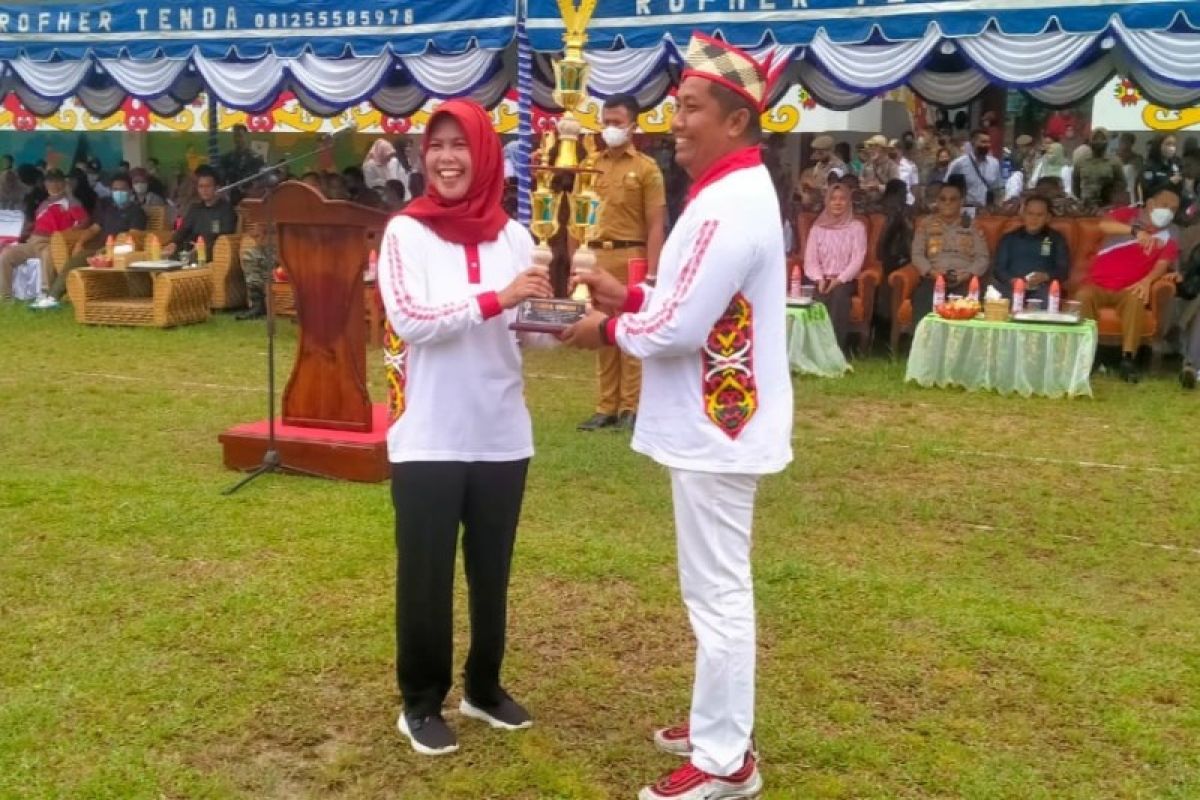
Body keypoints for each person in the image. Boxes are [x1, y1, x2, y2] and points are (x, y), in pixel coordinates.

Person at [563, 32, 793, 800]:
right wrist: (624, 297)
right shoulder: (728, 191)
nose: (675, 120)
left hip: (718, 427)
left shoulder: (730, 203)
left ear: (735, 120)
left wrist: (605, 326)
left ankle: (728, 762)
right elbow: (686, 302)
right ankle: (716, 728)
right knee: (713, 589)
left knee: (719, 593)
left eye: (691, 107)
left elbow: (678, 329)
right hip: (717, 421)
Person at [377, 99, 554, 757]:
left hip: (501, 430)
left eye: (462, 145)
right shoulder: (406, 232)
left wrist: (566, 311)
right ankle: (420, 702)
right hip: (429, 434)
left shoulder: (513, 235)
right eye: (437, 146)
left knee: (492, 570)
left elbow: (527, 337)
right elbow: (411, 320)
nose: (448, 158)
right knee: (425, 575)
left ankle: (483, 688)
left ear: (485, 155)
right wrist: (498, 298)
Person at [575, 93, 666, 433]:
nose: (610, 128)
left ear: (633, 125)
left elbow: (656, 222)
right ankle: (605, 406)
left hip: (632, 255)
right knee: (600, 330)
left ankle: (632, 406)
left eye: (617, 122)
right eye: (606, 122)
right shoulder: (590, 165)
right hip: (597, 255)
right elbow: (578, 217)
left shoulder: (646, 168)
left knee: (630, 333)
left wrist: (653, 274)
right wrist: (576, 259)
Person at [1076, 183, 1182, 383]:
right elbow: (1104, 225)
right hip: (1097, 283)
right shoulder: (1129, 214)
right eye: (1164, 205)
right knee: (1083, 297)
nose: (1168, 211)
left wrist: (1147, 281)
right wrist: (1135, 232)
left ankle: (1128, 359)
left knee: (1136, 299)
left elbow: (1163, 263)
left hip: (1129, 287)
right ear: (1151, 204)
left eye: (1173, 209)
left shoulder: (1172, 232)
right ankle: (1087, 356)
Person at [43, 173, 147, 305]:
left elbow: (133, 236)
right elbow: (94, 229)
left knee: (96, 256)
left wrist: (110, 249)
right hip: (100, 250)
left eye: (122, 189)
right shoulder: (108, 208)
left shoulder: (136, 211)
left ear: (130, 190)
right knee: (75, 261)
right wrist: (80, 242)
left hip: (122, 251)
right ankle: (52, 297)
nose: (118, 193)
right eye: (115, 190)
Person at [0, 168, 88, 300]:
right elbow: (37, 225)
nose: (53, 185)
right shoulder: (44, 203)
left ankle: (46, 294)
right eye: (50, 181)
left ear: (64, 183)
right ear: (45, 184)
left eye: (57, 181)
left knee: (48, 255)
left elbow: (84, 222)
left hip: (50, 242)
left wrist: (66, 234)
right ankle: (5, 296)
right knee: (7, 254)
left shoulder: (71, 202)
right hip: (32, 242)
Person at [910, 180, 989, 321]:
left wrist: (967, 274)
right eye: (943, 199)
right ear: (937, 201)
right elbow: (917, 254)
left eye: (953, 199)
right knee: (922, 298)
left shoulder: (972, 226)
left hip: (964, 278)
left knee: (972, 304)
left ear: (961, 202)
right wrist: (932, 272)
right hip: (934, 277)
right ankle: (923, 341)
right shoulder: (926, 224)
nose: (947, 203)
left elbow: (983, 257)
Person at [803, 182, 866, 354]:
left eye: (842, 199)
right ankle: (814, 350)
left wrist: (838, 280)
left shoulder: (857, 228)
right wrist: (820, 279)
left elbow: (857, 259)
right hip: (821, 278)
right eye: (833, 199)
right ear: (827, 202)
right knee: (818, 297)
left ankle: (834, 351)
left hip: (844, 279)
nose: (838, 203)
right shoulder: (817, 229)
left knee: (838, 297)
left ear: (848, 203)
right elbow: (810, 259)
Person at [990, 195, 1070, 303]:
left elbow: (1063, 270)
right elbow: (999, 269)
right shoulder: (1009, 238)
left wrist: (1046, 276)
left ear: (1048, 217)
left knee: (1049, 296)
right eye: (1030, 213)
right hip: (1011, 287)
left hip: (1043, 288)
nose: (1034, 219)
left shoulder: (1056, 239)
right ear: (1023, 214)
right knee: (995, 294)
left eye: (1039, 215)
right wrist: (1015, 282)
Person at [162, 166, 237, 258]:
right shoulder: (195, 209)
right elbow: (183, 230)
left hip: (213, 252)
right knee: (167, 255)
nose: (204, 190)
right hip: (189, 250)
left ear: (217, 188)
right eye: (201, 186)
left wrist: (202, 246)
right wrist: (173, 243)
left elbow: (225, 237)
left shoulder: (226, 210)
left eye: (208, 186)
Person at [945, 129, 1001, 208]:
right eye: (983, 142)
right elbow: (946, 187)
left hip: (988, 212)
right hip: (967, 210)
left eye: (988, 142)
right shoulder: (958, 164)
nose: (987, 145)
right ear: (973, 143)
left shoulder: (994, 163)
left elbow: (998, 188)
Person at [797, 134, 845, 210]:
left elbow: (834, 188)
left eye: (820, 152)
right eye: (816, 151)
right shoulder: (819, 164)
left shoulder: (838, 166)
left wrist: (815, 187)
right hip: (815, 205)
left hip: (830, 207)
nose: (817, 155)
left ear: (829, 150)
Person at [218, 123, 265, 201]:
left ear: (245, 137)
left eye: (240, 135)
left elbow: (261, 180)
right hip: (232, 197)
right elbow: (222, 180)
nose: (237, 139)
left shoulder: (256, 158)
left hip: (251, 197)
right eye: (235, 136)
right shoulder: (227, 158)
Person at [1141, 135, 1184, 203]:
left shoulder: (1176, 164)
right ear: (1158, 146)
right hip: (1156, 207)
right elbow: (1148, 192)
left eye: (1173, 144)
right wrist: (1169, 182)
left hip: (1174, 205)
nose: (1171, 148)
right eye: (1168, 144)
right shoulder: (1149, 167)